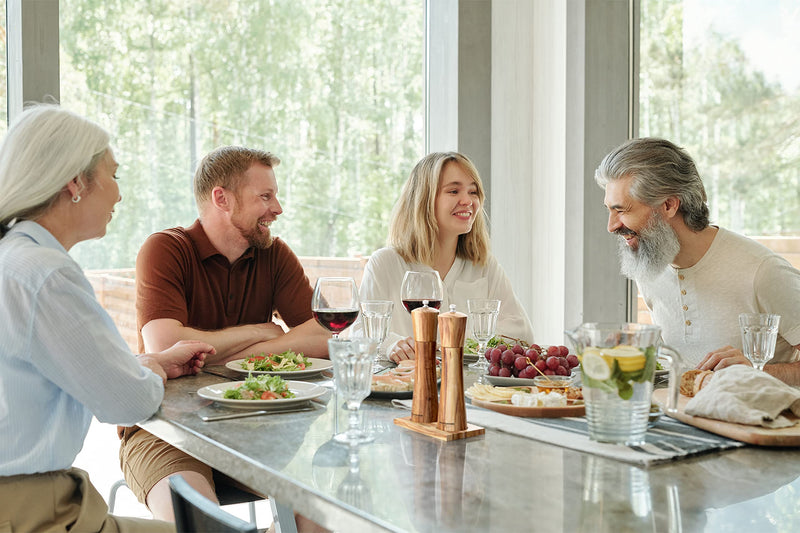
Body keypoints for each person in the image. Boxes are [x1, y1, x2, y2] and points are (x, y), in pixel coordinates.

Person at [0, 105, 214, 532]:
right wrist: (144, 376)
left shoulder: (14, 258)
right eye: (114, 175)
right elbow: (126, 403)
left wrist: (147, 365)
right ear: (75, 183)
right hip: (33, 513)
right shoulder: (47, 275)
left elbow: (50, 376)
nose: (118, 193)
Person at [120, 145, 331, 526]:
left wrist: (242, 353)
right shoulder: (166, 248)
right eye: (265, 196)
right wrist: (257, 331)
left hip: (260, 425)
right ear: (222, 198)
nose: (277, 208)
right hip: (165, 430)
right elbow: (165, 346)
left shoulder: (274, 254)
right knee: (203, 525)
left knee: (325, 506)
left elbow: (324, 334)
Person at [595, 137, 800, 384]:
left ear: (669, 205)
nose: (611, 226)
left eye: (622, 210)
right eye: (609, 210)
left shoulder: (763, 271)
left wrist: (756, 373)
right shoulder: (651, 264)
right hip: (680, 416)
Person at [359, 151, 534, 362]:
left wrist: (455, 342)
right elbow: (359, 334)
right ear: (424, 199)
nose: (467, 200)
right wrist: (391, 345)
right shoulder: (385, 263)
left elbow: (522, 333)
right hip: (403, 387)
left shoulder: (484, 266)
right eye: (453, 191)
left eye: (473, 192)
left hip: (472, 388)